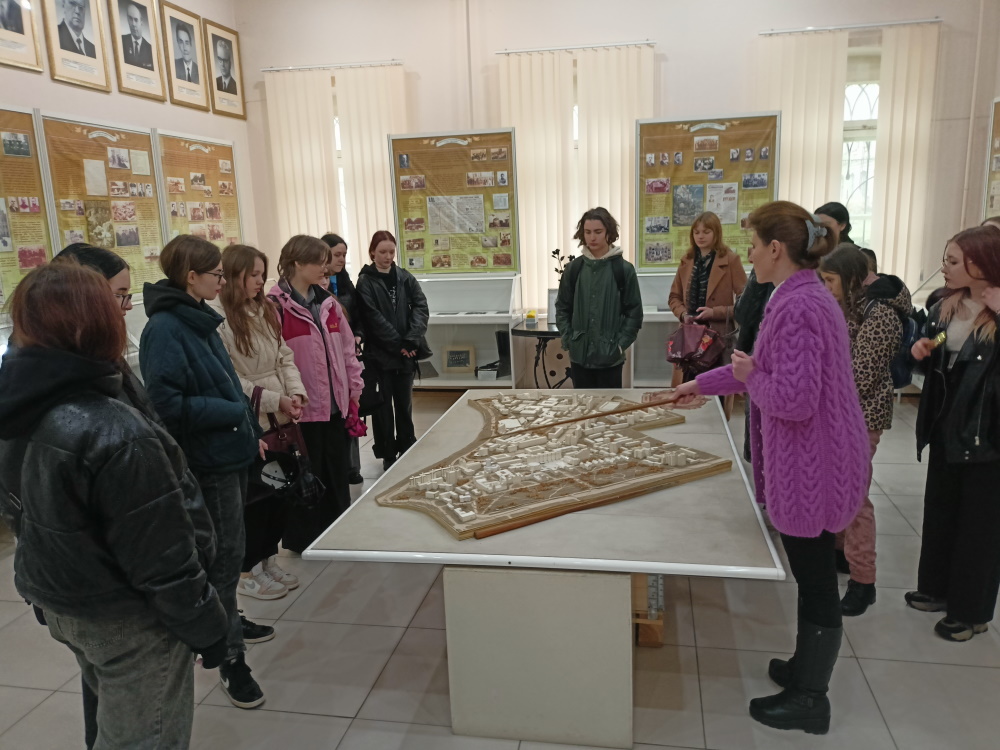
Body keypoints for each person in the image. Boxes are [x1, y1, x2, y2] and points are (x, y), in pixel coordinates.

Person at [0, 262, 229, 749]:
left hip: (67, 602)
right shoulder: (112, 429)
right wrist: (208, 627)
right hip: (128, 618)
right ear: (94, 324)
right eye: (117, 302)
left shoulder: (18, 403)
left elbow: (26, 514)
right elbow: (161, 557)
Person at [667, 201, 869, 734]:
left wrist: (750, 377)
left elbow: (791, 398)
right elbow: (756, 369)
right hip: (817, 459)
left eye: (754, 245)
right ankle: (804, 668)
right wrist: (699, 384)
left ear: (776, 248)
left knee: (816, 580)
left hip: (814, 466)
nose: (749, 254)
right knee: (811, 575)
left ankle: (811, 699)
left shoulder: (799, 306)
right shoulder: (799, 295)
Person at [139, 235, 267, 710]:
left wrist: (247, 425)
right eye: (216, 273)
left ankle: (229, 620)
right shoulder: (165, 329)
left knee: (231, 553)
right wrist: (231, 413)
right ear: (190, 276)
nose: (222, 280)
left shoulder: (198, 317)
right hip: (209, 460)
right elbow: (166, 404)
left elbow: (226, 383)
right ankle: (229, 656)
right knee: (223, 557)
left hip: (229, 450)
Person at [907, 226, 1000, 642]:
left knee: (980, 527)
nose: (944, 268)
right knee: (941, 511)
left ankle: (971, 612)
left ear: (981, 263)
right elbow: (948, 341)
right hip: (947, 425)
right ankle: (937, 589)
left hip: (987, 434)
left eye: (952, 261)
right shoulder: (947, 304)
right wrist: (927, 348)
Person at [213, 244, 307, 600]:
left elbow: (284, 356)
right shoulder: (219, 320)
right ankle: (247, 571)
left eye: (261, 274)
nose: (259, 281)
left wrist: (295, 393)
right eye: (252, 274)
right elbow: (230, 379)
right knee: (255, 498)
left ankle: (268, 560)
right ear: (232, 276)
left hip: (281, 416)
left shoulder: (265, 309)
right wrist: (273, 399)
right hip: (253, 419)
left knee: (278, 495)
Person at [819, 244, 909, 616]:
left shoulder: (881, 313)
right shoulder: (850, 303)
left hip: (861, 417)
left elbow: (859, 377)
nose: (826, 288)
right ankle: (840, 554)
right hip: (837, 414)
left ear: (852, 278)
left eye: (830, 280)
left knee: (855, 499)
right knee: (837, 489)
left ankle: (863, 581)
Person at [268, 235, 364, 551]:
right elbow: (275, 361)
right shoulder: (275, 307)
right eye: (319, 262)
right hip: (302, 411)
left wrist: (354, 389)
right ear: (297, 263)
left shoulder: (328, 303)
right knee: (307, 475)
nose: (326, 267)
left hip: (336, 406)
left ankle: (337, 532)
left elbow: (347, 351)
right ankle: (305, 539)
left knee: (336, 472)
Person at [356, 230, 429, 470]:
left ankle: (407, 446)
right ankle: (388, 452)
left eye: (391, 252)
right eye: (382, 252)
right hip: (380, 355)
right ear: (372, 253)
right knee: (383, 407)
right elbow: (372, 317)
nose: (388, 257)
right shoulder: (365, 281)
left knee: (404, 405)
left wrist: (411, 340)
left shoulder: (404, 277)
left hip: (407, 352)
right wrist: (399, 345)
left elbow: (421, 306)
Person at [555, 207, 643, 388]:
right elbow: (562, 308)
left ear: (608, 233)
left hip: (610, 358)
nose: (592, 237)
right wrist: (570, 339)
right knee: (582, 403)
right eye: (587, 232)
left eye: (598, 232)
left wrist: (620, 345)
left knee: (610, 404)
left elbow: (634, 313)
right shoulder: (573, 269)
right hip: (579, 357)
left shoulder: (624, 269)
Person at [668, 211, 748, 386]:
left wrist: (714, 312)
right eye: (696, 232)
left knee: (715, 389)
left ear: (716, 233)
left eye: (706, 232)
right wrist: (683, 314)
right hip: (689, 338)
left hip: (718, 337)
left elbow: (746, 303)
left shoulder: (731, 260)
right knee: (688, 389)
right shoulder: (687, 260)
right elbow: (674, 297)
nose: (700, 236)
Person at [323, 232, 365, 485]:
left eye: (344, 255)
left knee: (352, 410)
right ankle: (341, 469)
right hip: (331, 356)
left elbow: (357, 314)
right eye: (336, 255)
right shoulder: (318, 287)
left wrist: (358, 334)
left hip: (350, 351)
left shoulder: (345, 280)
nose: (341, 259)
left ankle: (353, 468)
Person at [120, 2, 153, 69]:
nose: (133, 24)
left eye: (136, 20)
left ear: (141, 22)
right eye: (130, 19)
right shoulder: (121, 40)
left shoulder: (150, 49)